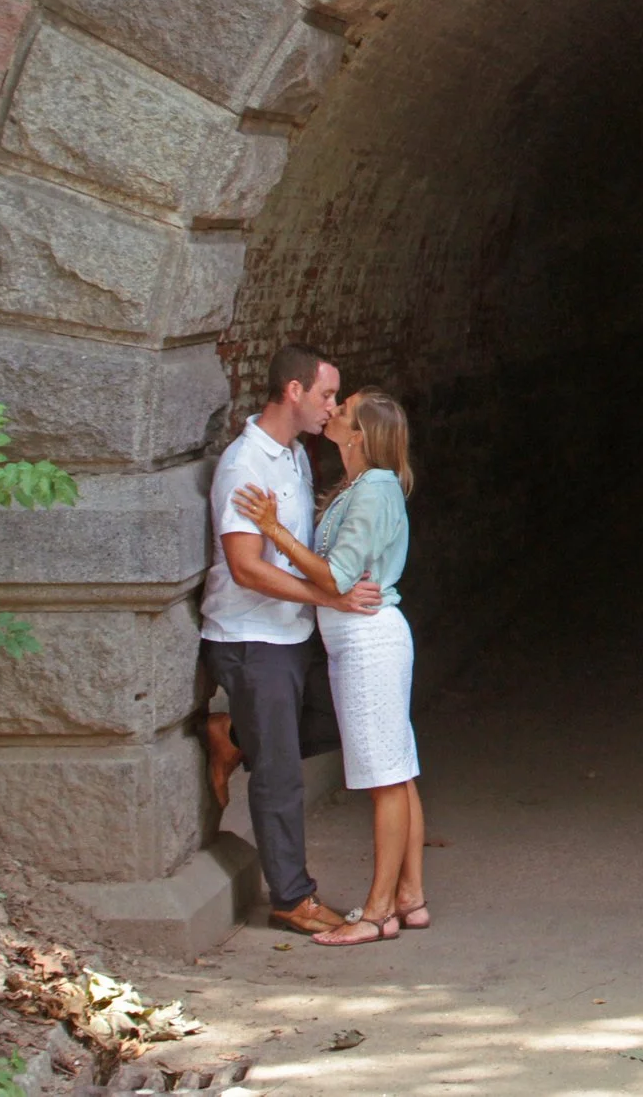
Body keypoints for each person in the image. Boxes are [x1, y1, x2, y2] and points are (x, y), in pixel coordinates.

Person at [199, 345, 383, 936]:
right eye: (328, 395)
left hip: (292, 630)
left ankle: (234, 736)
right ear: (294, 392)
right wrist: (330, 597)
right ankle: (290, 896)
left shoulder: (298, 455)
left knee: (334, 723)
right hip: (252, 636)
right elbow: (247, 567)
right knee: (281, 773)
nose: (333, 407)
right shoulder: (244, 464)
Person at [237, 389, 427, 949]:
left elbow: (338, 578)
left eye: (345, 409)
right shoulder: (367, 487)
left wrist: (273, 530)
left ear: (360, 435)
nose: (334, 410)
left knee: (385, 780)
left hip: (368, 642)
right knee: (397, 770)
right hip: (364, 639)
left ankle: (375, 912)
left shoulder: (373, 491)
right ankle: (409, 898)